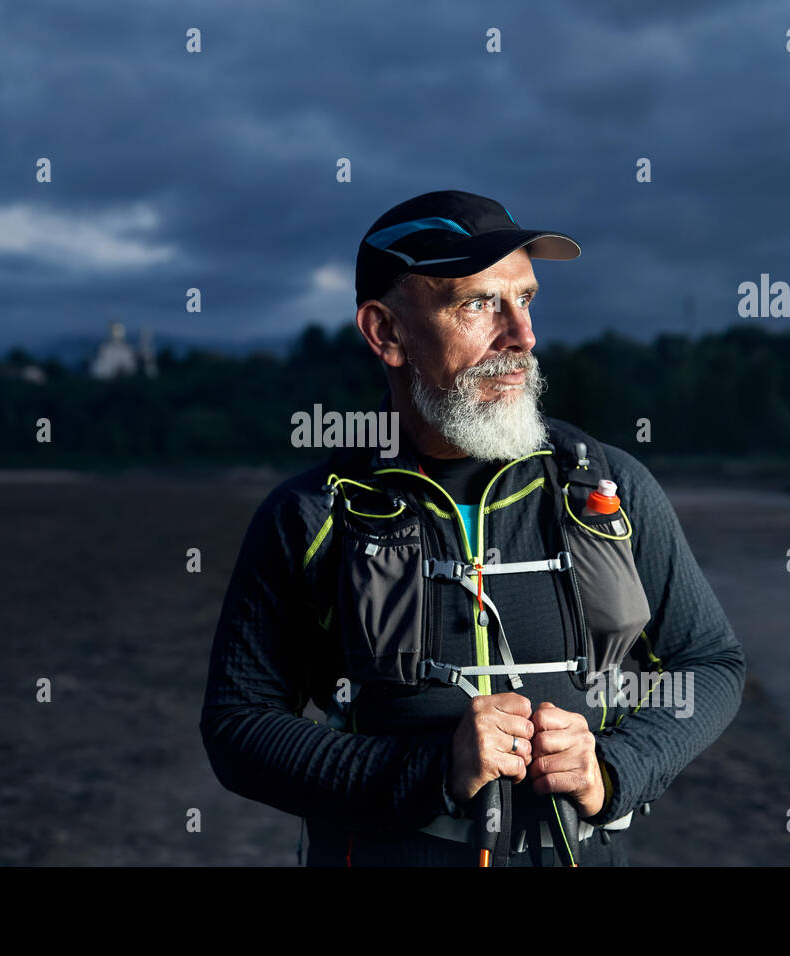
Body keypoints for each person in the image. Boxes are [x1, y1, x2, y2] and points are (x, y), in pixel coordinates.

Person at [200, 189, 746, 866]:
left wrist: (616, 768)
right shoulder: (310, 515)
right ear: (386, 333)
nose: (522, 337)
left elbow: (711, 663)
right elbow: (236, 728)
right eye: (478, 303)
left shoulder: (610, 488)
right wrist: (428, 771)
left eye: (525, 300)